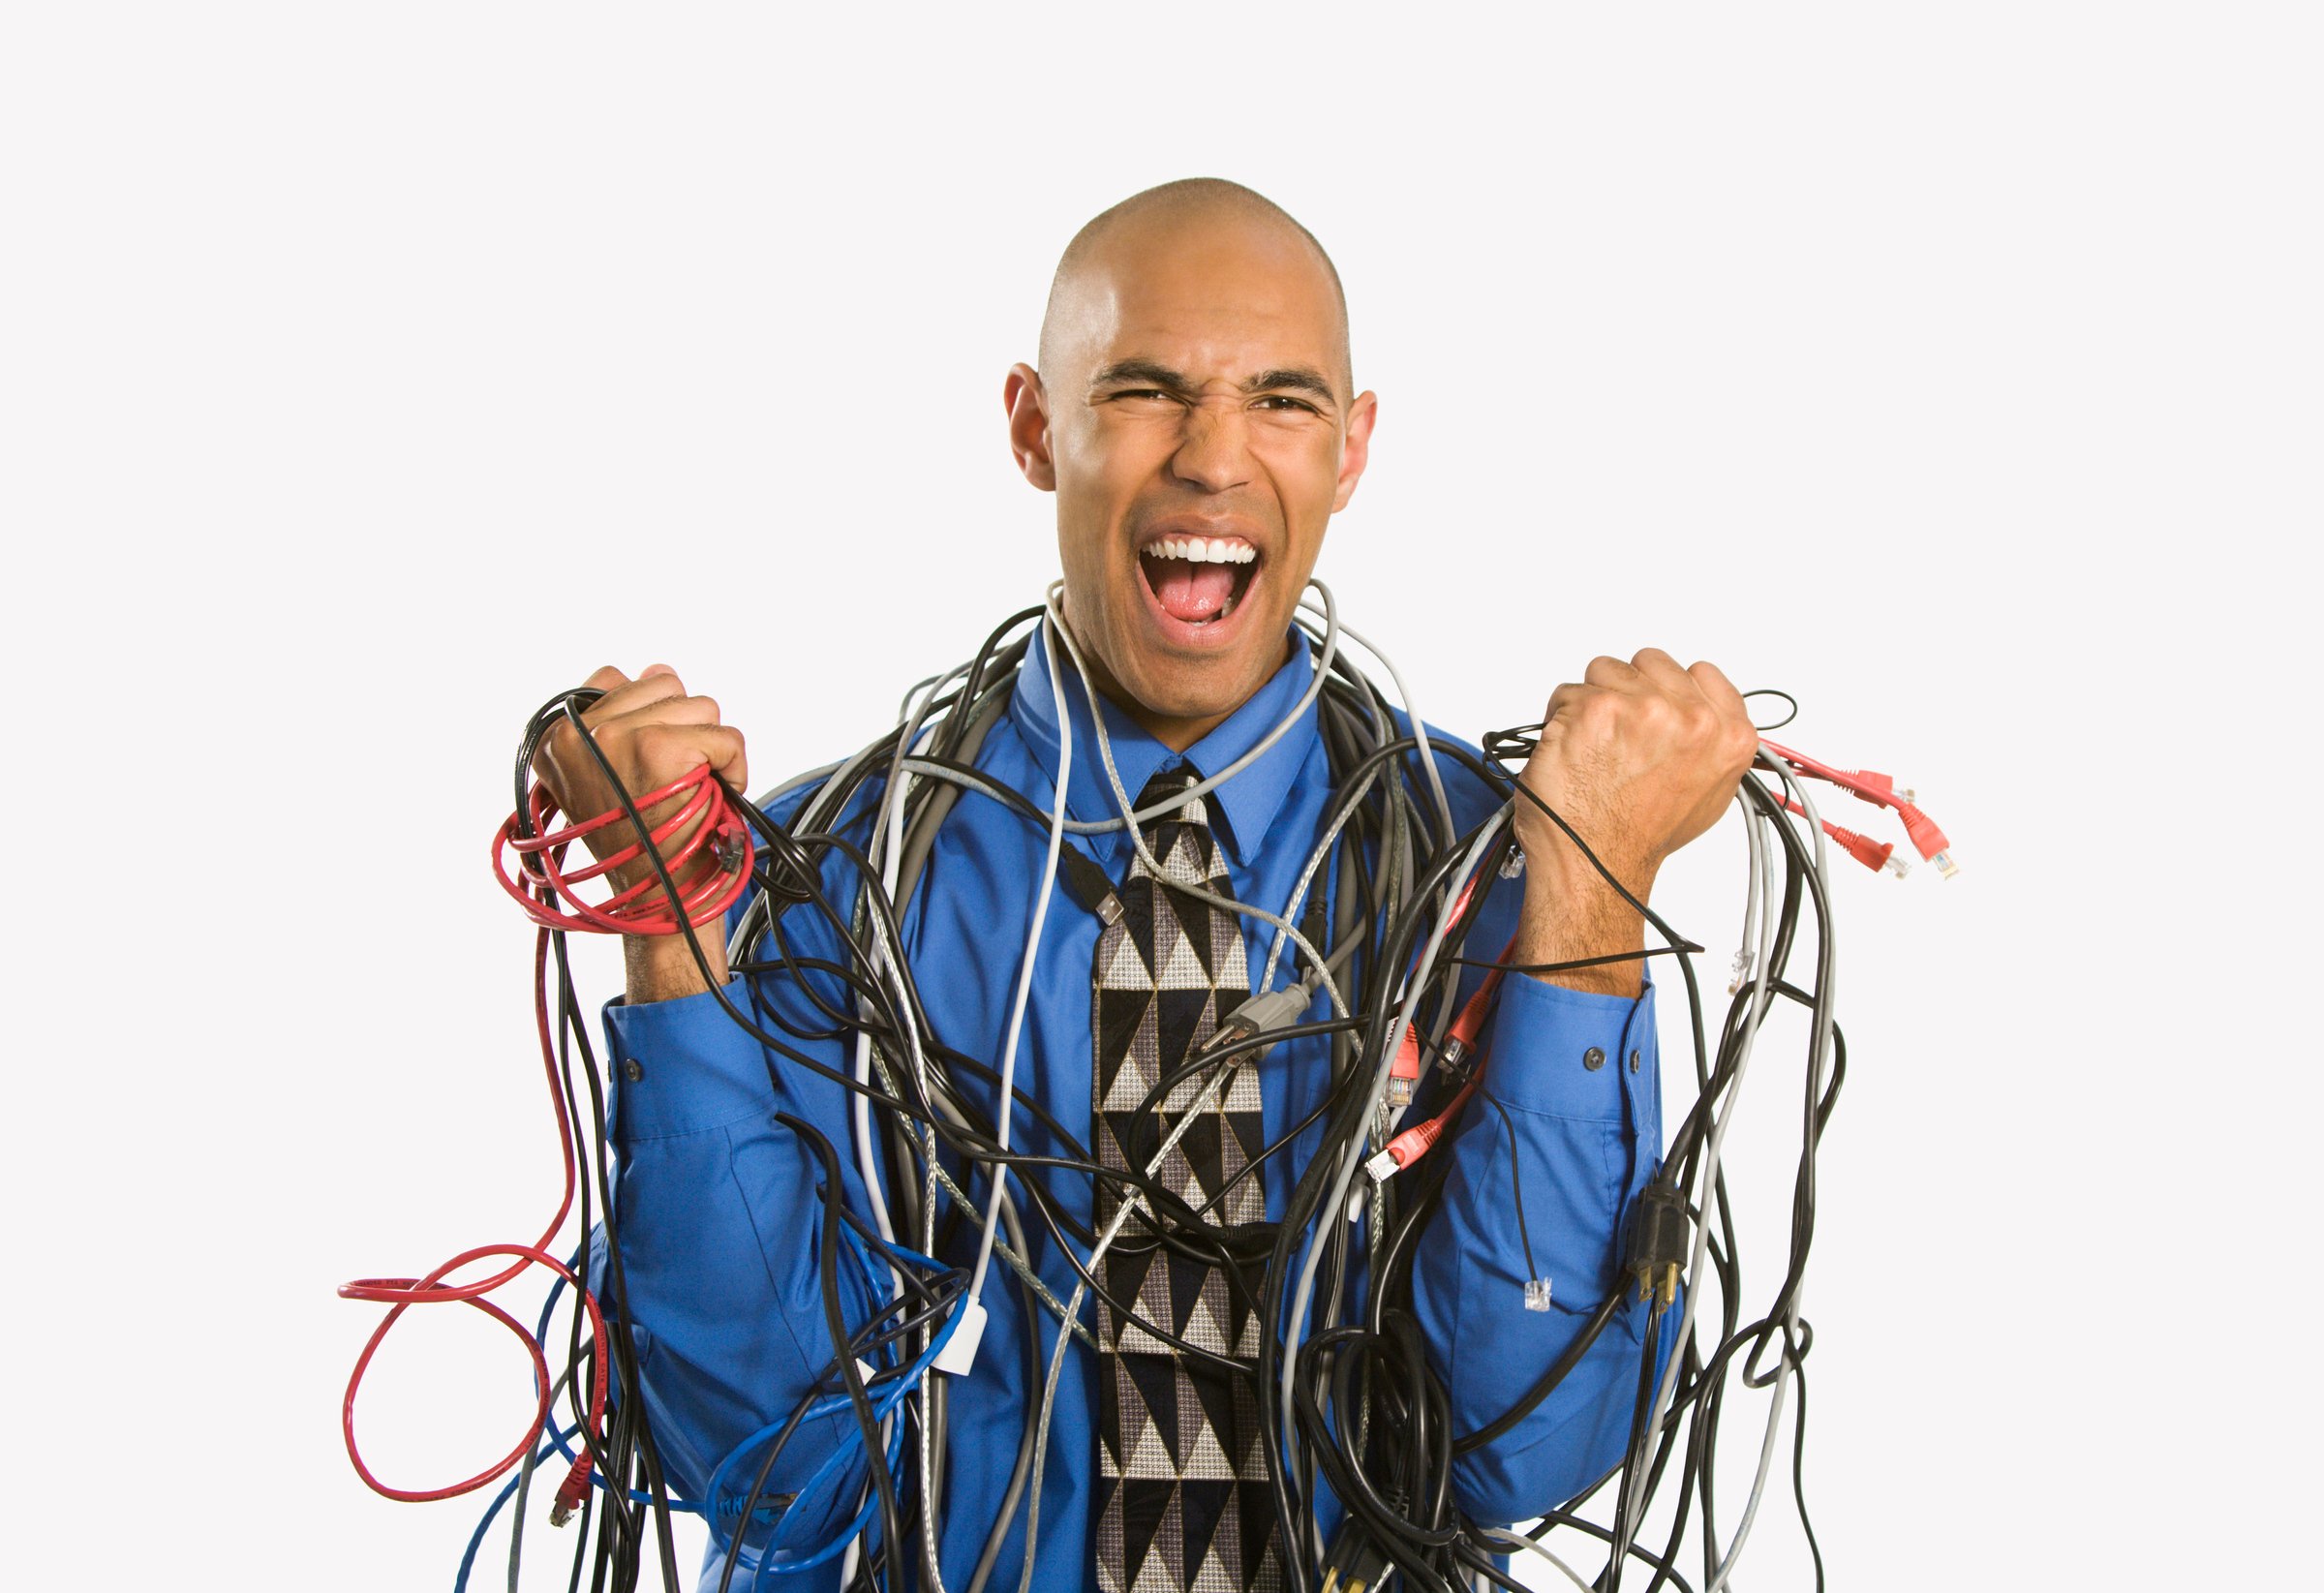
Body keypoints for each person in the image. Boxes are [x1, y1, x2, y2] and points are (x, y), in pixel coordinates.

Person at [533, 177, 1759, 1593]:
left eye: (1283, 403)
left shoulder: (1499, 872)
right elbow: (770, 1469)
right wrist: (674, 933)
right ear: (1034, 427)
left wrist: (1591, 902)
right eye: (1144, 393)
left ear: (1353, 449)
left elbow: (1510, 1452)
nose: (1214, 459)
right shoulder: (824, 876)